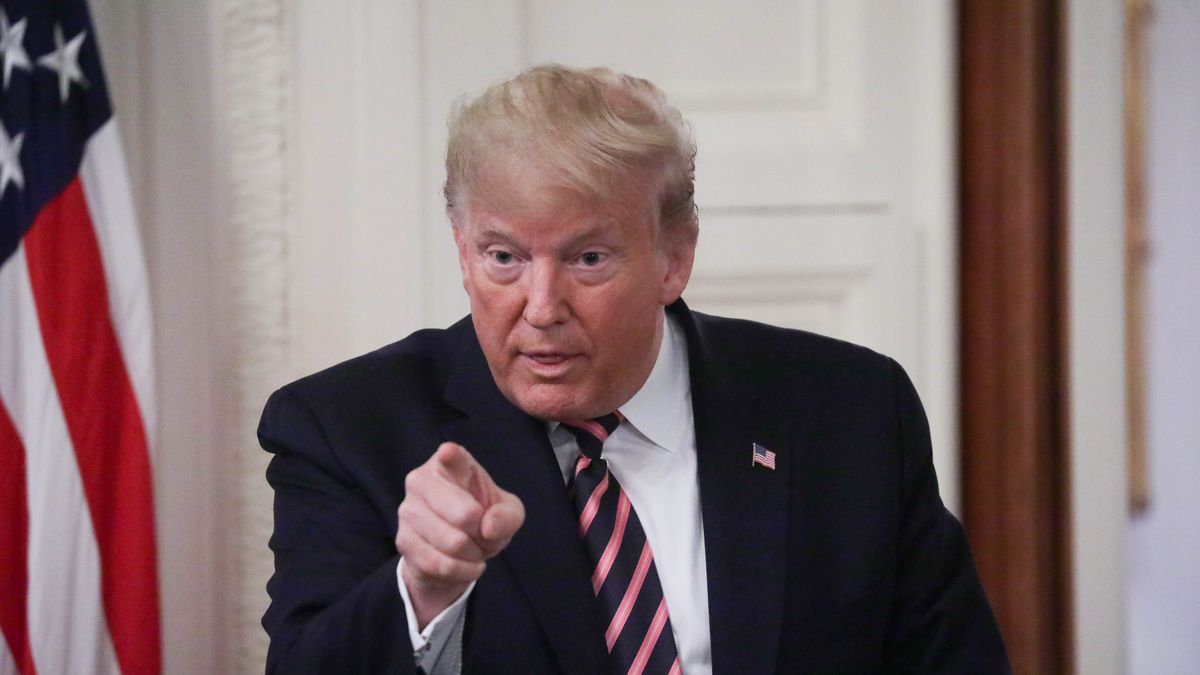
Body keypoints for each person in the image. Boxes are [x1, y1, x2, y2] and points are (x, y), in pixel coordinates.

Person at [258, 64, 1010, 674]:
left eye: (588, 258)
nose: (541, 305)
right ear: (462, 249)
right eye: (503, 257)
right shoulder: (348, 430)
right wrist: (421, 591)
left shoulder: (848, 412)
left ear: (674, 258)